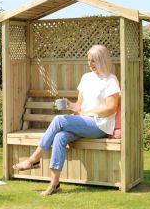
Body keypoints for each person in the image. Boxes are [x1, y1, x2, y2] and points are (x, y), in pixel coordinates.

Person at [13, 45, 120, 196]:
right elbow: (79, 105)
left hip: (99, 125)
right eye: (89, 61)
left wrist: (90, 112)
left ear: (102, 61)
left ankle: (33, 159)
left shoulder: (110, 80)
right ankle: (54, 184)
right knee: (59, 137)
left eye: (94, 61)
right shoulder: (86, 78)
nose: (90, 64)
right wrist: (69, 104)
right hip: (83, 122)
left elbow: (112, 108)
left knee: (59, 120)